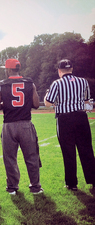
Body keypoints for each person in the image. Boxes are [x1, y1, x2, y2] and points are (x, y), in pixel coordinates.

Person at [0, 58, 43, 195]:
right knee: (31, 157)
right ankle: (35, 187)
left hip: (9, 126)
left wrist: (7, 104)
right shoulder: (30, 84)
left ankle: (12, 187)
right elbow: (37, 104)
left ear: (8, 69)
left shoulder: (1, 86)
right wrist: (25, 103)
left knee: (10, 158)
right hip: (26, 124)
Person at [44, 59, 95, 191]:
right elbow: (87, 102)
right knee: (87, 150)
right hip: (81, 117)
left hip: (65, 119)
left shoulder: (57, 83)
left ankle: (72, 184)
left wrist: (47, 95)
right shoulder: (83, 81)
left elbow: (48, 103)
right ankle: (93, 180)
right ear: (71, 69)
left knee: (68, 152)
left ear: (59, 71)